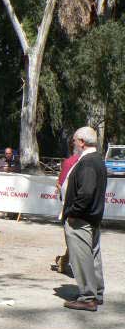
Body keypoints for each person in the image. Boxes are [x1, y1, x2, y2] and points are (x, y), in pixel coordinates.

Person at [61, 126, 107, 312]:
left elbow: (86, 192)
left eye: (74, 140)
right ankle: (96, 293)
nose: (73, 143)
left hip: (81, 219)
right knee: (93, 257)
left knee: (82, 258)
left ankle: (88, 297)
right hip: (92, 218)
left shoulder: (87, 162)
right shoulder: (97, 160)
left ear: (81, 142)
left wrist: (73, 213)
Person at [53, 137, 81, 272]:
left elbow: (60, 184)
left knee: (72, 236)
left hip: (69, 204)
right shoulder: (74, 162)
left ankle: (64, 260)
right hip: (77, 205)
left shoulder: (69, 162)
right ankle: (64, 261)